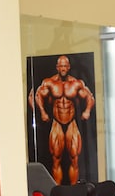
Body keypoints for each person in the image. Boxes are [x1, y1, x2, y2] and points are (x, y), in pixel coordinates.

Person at [34, 55, 94, 184]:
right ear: (57, 67)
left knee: (74, 158)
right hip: (57, 123)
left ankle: (73, 190)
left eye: (65, 66)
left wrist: (87, 111)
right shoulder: (49, 83)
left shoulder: (76, 83)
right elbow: (37, 95)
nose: (63, 68)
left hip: (71, 123)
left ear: (69, 67)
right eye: (61, 66)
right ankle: (58, 190)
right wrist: (43, 112)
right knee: (56, 159)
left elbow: (90, 97)